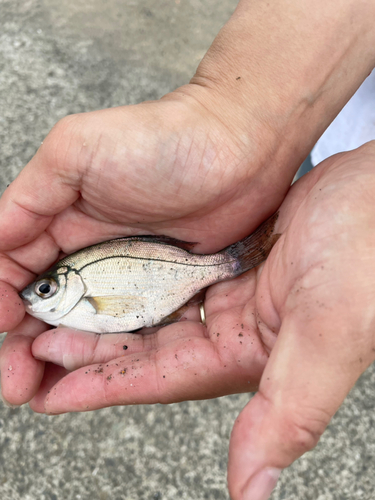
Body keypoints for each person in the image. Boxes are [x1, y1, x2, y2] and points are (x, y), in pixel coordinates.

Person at [1, 1, 375, 499]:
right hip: (335, 115)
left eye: (47, 288)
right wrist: (238, 115)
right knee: (304, 194)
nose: (37, 295)